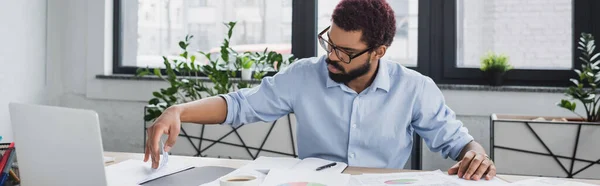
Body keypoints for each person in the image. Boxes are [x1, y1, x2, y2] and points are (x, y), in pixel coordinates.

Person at [144, 0, 496, 181]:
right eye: (330, 43)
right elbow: (240, 105)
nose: (331, 56)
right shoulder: (303, 76)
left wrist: (475, 154)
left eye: (345, 52)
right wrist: (179, 111)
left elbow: (457, 142)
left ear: (379, 52)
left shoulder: (415, 88)